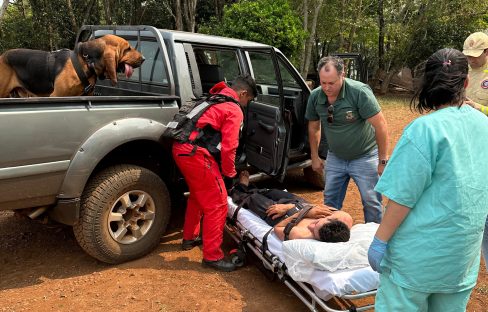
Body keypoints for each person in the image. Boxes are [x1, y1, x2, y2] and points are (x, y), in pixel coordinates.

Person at [367, 48, 488, 311]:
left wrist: (380, 241)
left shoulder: (424, 130)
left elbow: (401, 197)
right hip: (461, 261)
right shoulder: (484, 125)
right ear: (466, 83)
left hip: (416, 261)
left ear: (426, 84)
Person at [172, 74, 257, 272]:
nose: (246, 104)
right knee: (218, 203)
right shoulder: (233, 108)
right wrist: (230, 173)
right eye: (248, 100)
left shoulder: (212, 98)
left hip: (181, 148)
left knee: (198, 195)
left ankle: (190, 238)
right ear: (243, 93)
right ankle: (212, 256)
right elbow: (229, 147)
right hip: (196, 154)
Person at [305, 56, 389, 224]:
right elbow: (314, 127)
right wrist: (314, 156)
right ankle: (331, 238)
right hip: (335, 156)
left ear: (342, 74)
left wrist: (383, 160)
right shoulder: (315, 97)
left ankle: (373, 241)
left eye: (332, 83)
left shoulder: (359, 92)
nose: (327, 88)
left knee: (371, 202)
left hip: (365, 156)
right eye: (323, 83)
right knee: (330, 202)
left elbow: (381, 125)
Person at [230, 171, 353, 242]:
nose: (311, 225)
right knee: (269, 191)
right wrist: (301, 208)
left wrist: (298, 212)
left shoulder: (300, 235)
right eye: (317, 222)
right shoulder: (343, 218)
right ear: (331, 219)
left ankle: (242, 188)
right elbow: (319, 206)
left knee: (250, 198)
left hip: (278, 215)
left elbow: (278, 227)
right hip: (299, 203)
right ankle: (255, 189)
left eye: (314, 230)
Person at [462, 31, 488, 270]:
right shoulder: (465, 72)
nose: (472, 60)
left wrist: (478, 107)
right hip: (467, 142)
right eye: (468, 56)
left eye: (476, 56)